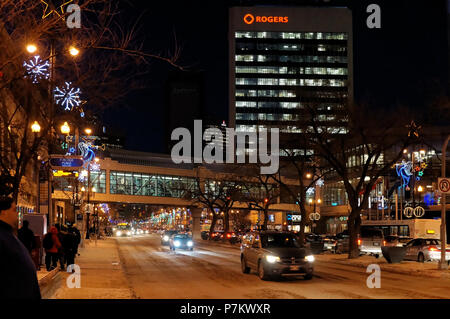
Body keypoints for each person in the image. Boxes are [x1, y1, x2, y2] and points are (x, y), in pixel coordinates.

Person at [0, 197, 41, 299]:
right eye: (14, 210)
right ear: (3, 212)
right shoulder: (3, 236)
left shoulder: (9, 234)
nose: (16, 214)